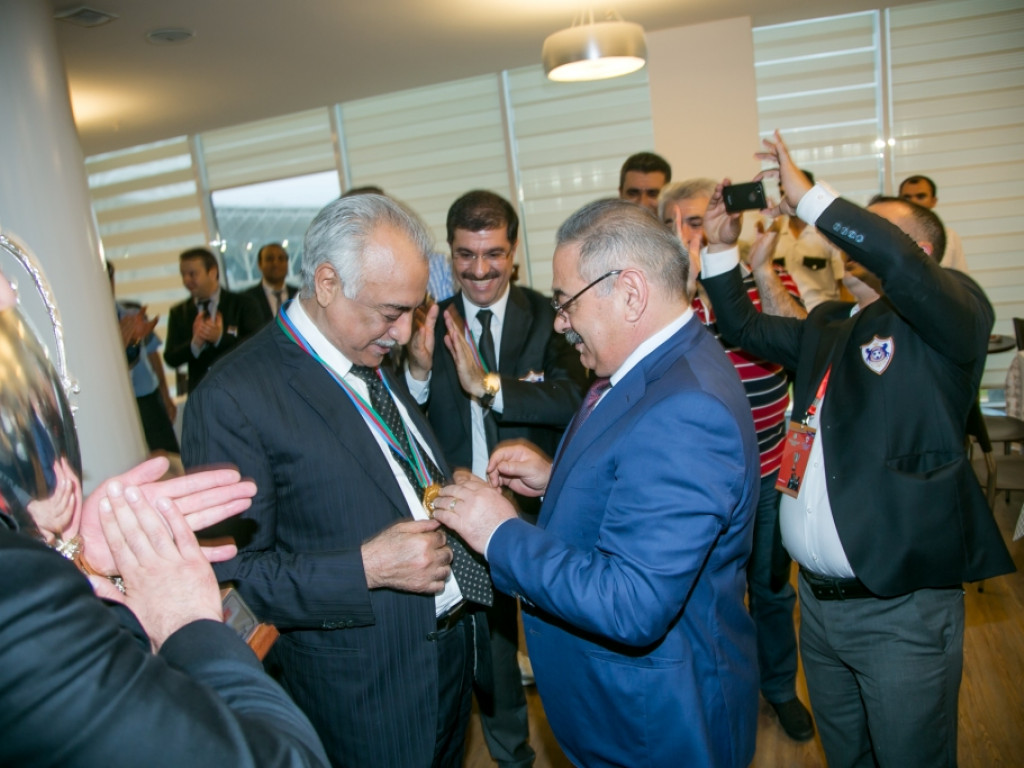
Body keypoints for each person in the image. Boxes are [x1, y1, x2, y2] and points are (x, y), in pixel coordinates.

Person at [699, 131, 1015, 768]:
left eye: (877, 229)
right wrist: (718, 245)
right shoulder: (831, 324)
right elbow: (742, 326)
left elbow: (899, 263)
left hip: (899, 611)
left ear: (921, 254)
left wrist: (811, 199)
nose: (852, 241)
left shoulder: (955, 318)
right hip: (818, 611)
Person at [431, 198, 761, 768]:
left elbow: (632, 603)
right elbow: (641, 488)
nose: (560, 322)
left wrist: (499, 532)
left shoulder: (687, 410)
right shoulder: (655, 364)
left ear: (630, 293)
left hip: (655, 724)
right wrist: (556, 480)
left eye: (567, 302)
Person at [182, 193, 493, 768]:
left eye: (413, 310)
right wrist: (365, 568)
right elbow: (229, 580)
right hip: (366, 696)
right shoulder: (233, 398)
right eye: (391, 312)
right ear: (327, 283)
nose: (403, 332)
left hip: (447, 662)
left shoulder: (366, 351)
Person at [0, 272, 328, 767]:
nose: (10, 289)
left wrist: (74, 555)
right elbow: (287, 760)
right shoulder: (19, 601)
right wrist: (187, 622)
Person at [405, 190, 587, 768]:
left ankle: (584, 746)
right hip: (463, 516)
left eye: (494, 254)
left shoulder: (552, 314)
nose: (480, 269)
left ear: (514, 251)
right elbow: (403, 421)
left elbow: (575, 397)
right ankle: (513, 757)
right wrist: (416, 371)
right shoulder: (425, 319)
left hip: (541, 510)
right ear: (450, 252)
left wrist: (487, 385)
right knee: (493, 653)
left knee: (565, 640)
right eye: (466, 254)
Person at [659, 178, 815, 742]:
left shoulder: (758, 275)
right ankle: (723, 695)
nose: (694, 233)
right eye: (682, 224)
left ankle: (780, 687)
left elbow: (801, 340)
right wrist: (684, 288)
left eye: (702, 220)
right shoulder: (661, 299)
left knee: (772, 590)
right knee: (712, 598)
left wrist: (762, 269)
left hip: (772, 469)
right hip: (702, 484)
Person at [164, 247, 262, 394]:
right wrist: (194, 345)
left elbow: (258, 347)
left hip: (241, 390)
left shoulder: (243, 304)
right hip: (202, 394)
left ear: (212, 272)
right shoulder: (179, 312)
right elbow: (170, 357)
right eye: (183, 275)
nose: (186, 280)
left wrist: (220, 338)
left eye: (192, 274)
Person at [107, 261, 179, 453]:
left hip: (148, 397)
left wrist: (165, 395)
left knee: (167, 454)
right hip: (119, 404)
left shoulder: (132, 314)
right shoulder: (94, 322)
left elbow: (153, 355)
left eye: (109, 278)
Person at [772, 169, 846, 310]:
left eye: (791, 192)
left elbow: (844, 283)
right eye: (782, 194)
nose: (787, 199)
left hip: (823, 315)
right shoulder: (773, 236)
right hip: (785, 315)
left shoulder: (828, 234)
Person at [898, 174, 969, 272]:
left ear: (933, 201)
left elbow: (960, 276)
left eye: (920, 196)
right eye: (907, 197)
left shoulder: (950, 236)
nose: (913, 202)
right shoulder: (890, 235)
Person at [244, 242, 299, 326]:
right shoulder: (247, 299)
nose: (275, 263)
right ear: (260, 264)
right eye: (269, 259)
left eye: (281, 259)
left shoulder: (300, 296)